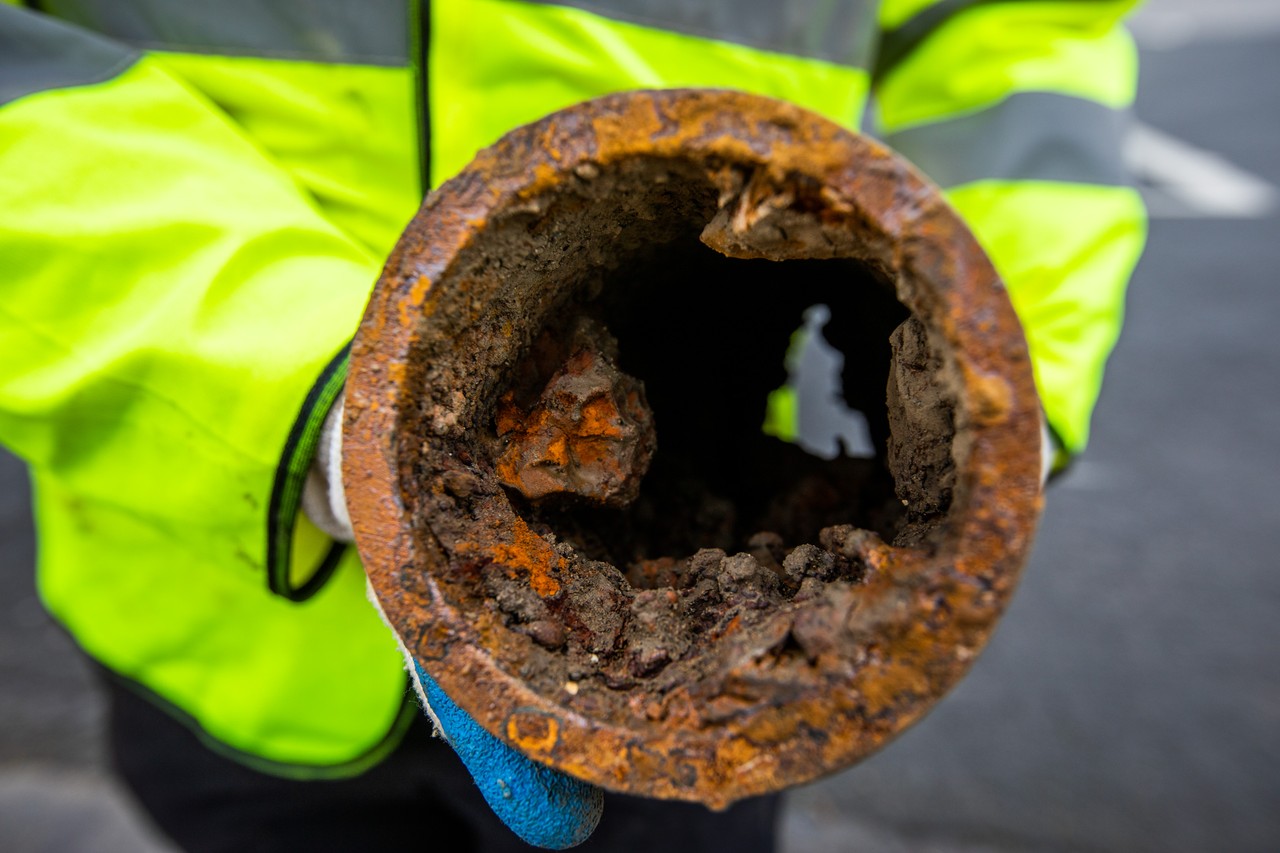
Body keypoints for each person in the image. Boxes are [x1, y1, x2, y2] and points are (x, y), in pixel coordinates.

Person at [0, 1, 1146, 850]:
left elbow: (1016, 41)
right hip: (228, 623)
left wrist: (1003, 365)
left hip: (686, 677)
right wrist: (305, 395)